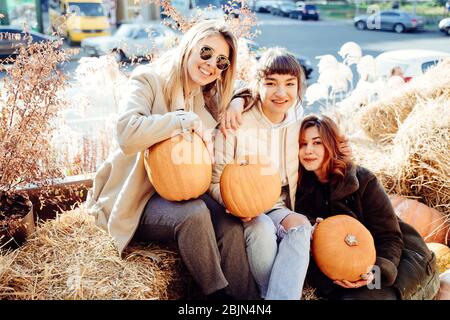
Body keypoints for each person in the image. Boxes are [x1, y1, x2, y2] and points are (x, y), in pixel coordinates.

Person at [85, 20, 259, 300]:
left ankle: (249, 301)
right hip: (140, 199)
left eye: (221, 61)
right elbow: (126, 133)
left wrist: (238, 100)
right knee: (195, 214)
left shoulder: (207, 97)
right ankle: (219, 297)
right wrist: (182, 121)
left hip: (186, 192)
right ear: (189, 46)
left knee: (230, 223)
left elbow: (248, 89)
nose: (211, 64)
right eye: (206, 52)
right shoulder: (148, 80)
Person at [211, 48, 351, 300]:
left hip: (277, 206)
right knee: (262, 228)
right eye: (271, 83)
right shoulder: (236, 121)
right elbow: (215, 179)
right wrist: (234, 204)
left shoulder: (297, 120)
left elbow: (323, 144)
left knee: (300, 226)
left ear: (299, 87)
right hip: (242, 208)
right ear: (258, 86)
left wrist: (342, 149)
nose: (281, 92)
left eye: (289, 84)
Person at [295, 115, 440, 300]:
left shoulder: (362, 180)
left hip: (398, 262)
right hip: (348, 274)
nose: (308, 150)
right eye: (302, 144)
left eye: (317, 143)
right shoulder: (301, 192)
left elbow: (390, 237)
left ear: (330, 144)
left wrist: (376, 273)